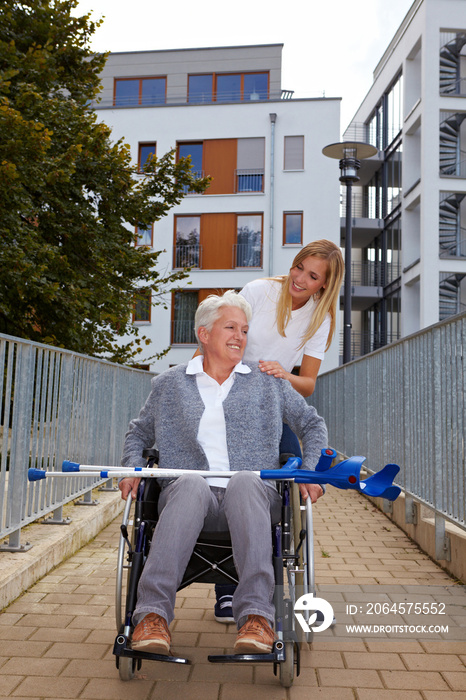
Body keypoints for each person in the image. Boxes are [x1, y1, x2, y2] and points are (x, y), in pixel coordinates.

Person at [119, 290, 327, 656]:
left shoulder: (267, 381)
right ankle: (151, 615)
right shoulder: (170, 383)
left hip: (251, 498)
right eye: (230, 327)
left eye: (244, 330)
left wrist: (310, 472)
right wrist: (131, 469)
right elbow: (138, 431)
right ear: (204, 334)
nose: (240, 336)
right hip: (187, 495)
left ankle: (258, 618)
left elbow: (311, 425)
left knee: (247, 480)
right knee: (191, 483)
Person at [214, 239, 344, 622]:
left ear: (324, 284)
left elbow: (307, 385)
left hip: (272, 406)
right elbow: (220, 336)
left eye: (313, 275)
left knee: (287, 476)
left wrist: (282, 373)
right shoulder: (258, 292)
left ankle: (272, 582)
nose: (300, 278)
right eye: (299, 267)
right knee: (226, 478)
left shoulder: (321, 319)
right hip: (228, 400)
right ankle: (225, 590)